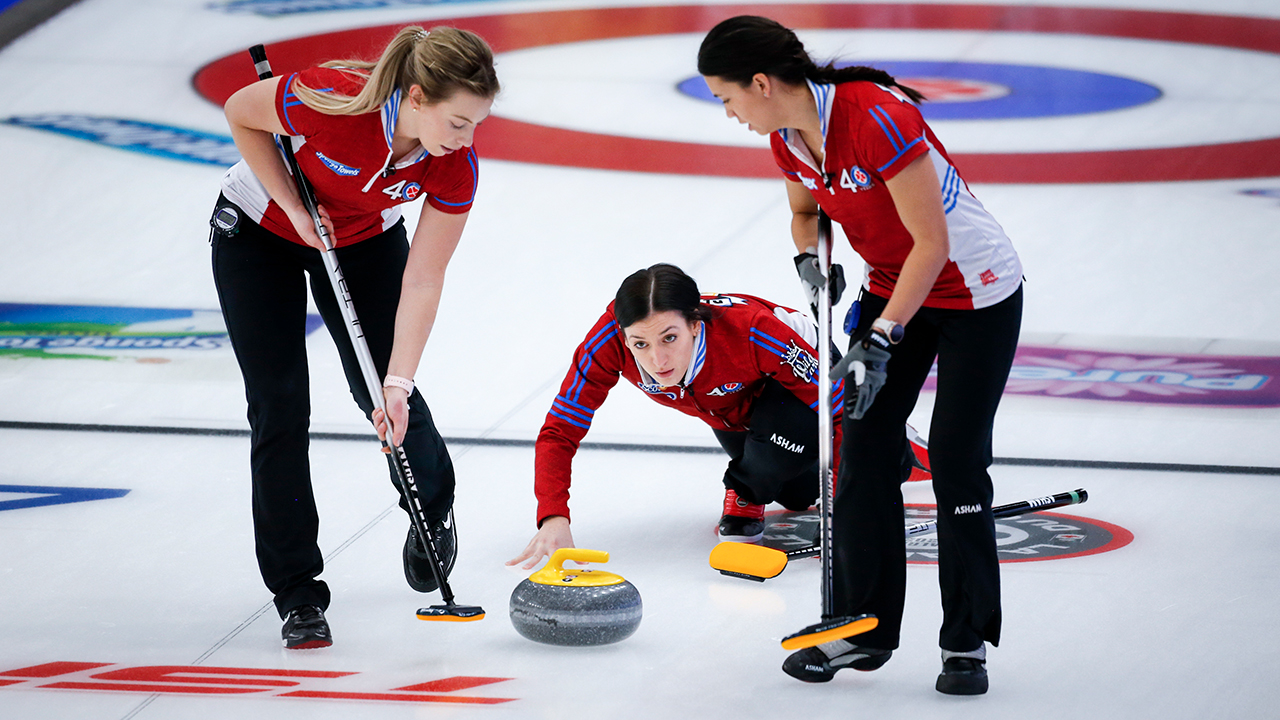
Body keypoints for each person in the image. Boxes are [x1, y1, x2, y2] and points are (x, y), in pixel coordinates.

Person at [699, 16, 1024, 695]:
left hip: (974, 290)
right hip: (890, 286)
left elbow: (930, 244)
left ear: (761, 83)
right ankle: (862, 632)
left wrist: (880, 338)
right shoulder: (789, 141)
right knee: (862, 450)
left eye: (727, 98)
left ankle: (966, 642)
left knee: (959, 464)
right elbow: (807, 214)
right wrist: (810, 259)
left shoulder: (877, 117)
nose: (727, 113)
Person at [211, 25, 499, 649]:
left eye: (476, 124)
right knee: (280, 403)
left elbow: (424, 279)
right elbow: (241, 110)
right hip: (259, 232)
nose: (466, 140)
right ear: (417, 99)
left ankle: (431, 508)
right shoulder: (331, 101)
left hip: (366, 240)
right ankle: (297, 591)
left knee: (388, 388)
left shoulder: (455, 167)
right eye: (458, 122)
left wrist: (397, 381)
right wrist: (290, 204)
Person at [506, 263, 928, 570]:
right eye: (640, 345)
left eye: (669, 337)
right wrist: (552, 514)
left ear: (695, 323)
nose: (657, 359)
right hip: (737, 415)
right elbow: (560, 430)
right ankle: (763, 480)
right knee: (797, 495)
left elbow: (837, 413)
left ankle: (899, 450)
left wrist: (855, 493)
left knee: (825, 460)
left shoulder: (755, 332)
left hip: (803, 390)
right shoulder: (608, 341)